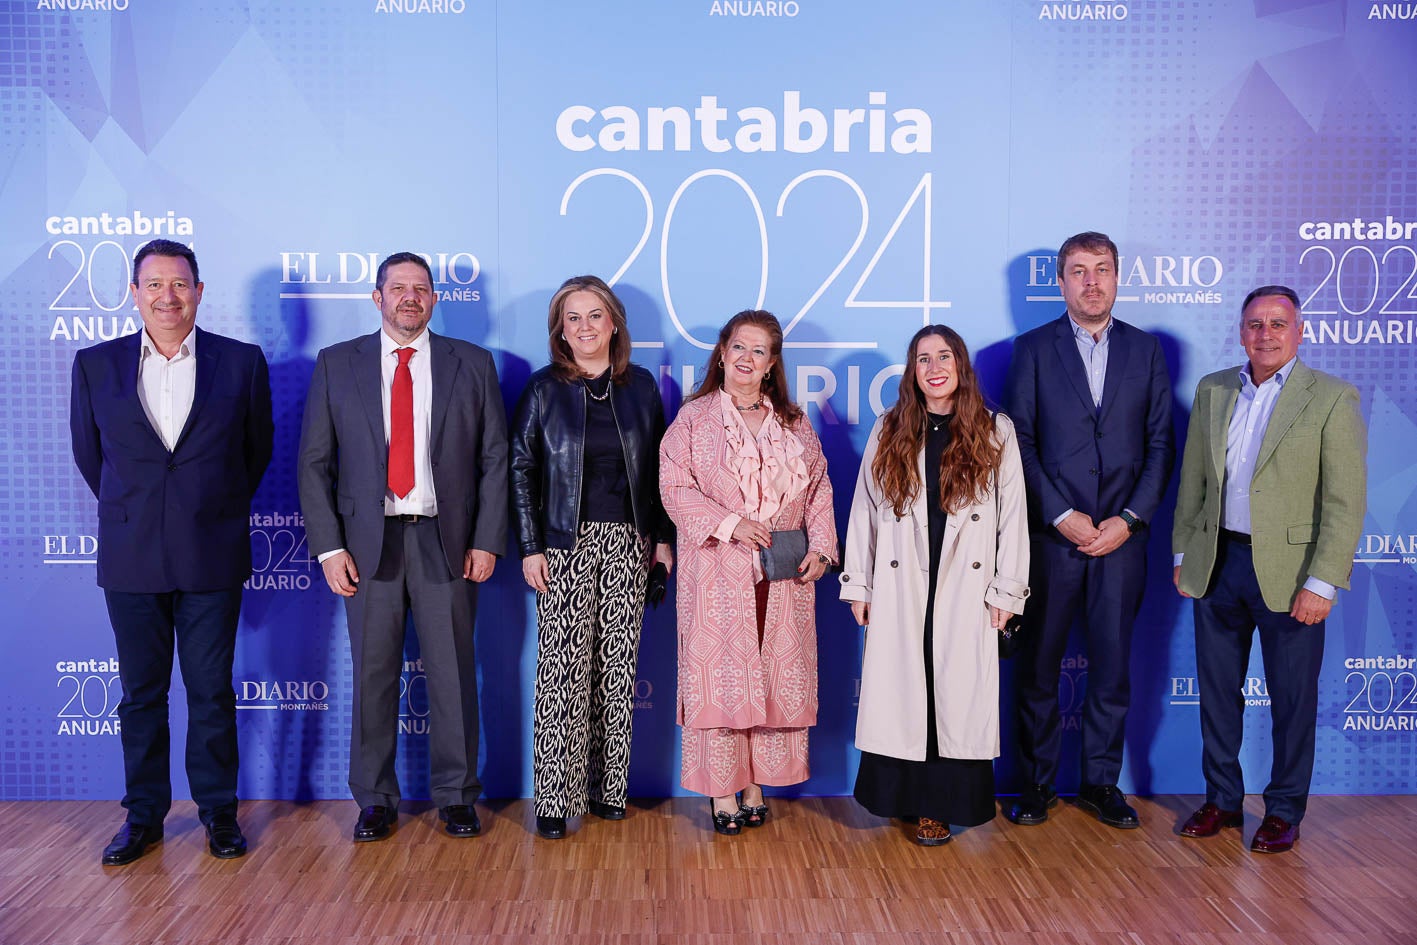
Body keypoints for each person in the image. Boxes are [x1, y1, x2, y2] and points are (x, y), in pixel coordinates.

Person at [70, 239, 273, 865]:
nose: (168, 296)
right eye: (154, 284)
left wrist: (206, 506)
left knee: (211, 691)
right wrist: (139, 511)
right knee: (140, 695)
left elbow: (255, 451)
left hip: (211, 553)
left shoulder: (239, 363)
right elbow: (90, 457)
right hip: (131, 558)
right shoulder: (95, 366)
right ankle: (144, 818)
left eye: (180, 284)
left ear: (199, 292)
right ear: (134, 294)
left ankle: (217, 814)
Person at [297, 251, 508, 843]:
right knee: (373, 675)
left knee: (453, 674)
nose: (409, 298)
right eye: (398, 288)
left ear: (435, 298)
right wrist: (329, 548)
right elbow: (314, 465)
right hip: (369, 545)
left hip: (448, 541)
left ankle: (457, 796)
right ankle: (375, 800)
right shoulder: (338, 365)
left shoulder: (473, 364)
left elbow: (494, 460)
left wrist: (488, 538)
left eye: (421, 289)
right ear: (377, 297)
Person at [1172, 285, 1366, 854]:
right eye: (1255, 324)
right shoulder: (1213, 390)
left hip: (1292, 573)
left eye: (1278, 323)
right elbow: (1194, 483)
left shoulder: (1331, 397)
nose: (1266, 333)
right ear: (1240, 331)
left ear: (1299, 331)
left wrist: (1323, 581)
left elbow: (1345, 501)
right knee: (1216, 693)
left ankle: (1284, 810)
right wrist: (1185, 554)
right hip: (1218, 562)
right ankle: (1222, 801)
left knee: (1292, 697)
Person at [1003, 231, 1174, 829]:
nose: (1092, 281)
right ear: (1061, 281)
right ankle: (1036, 785)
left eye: (1103, 269)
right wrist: (1061, 515)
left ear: (1118, 277)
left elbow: (1160, 446)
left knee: (1112, 669)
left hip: (1123, 542)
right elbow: (1017, 443)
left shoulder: (1147, 351)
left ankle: (1102, 783)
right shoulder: (1031, 350)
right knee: (1039, 668)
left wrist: (1127, 521)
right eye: (1079, 271)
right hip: (1052, 540)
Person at [839, 326, 1030, 846]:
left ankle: (939, 806)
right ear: (913, 371)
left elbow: (1012, 518)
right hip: (903, 586)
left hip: (966, 589)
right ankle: (902, 798)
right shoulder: (890, 428)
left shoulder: (995, 431)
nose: (934, 366)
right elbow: (865, 511)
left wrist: (1007, 590)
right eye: (923, 359)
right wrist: (859, 583)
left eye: (943, 356)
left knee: (952, 693)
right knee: (907, 691)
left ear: (961, 365)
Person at [510, 276, 675, 841]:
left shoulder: (642, 388)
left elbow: (662, 471)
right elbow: (520, 470)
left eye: (594, 316)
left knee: (617, 673)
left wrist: (661, 539)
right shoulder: (541, 390)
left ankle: (609, 791)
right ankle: (555, 800)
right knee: (562, 674)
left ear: (614, 324)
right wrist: (531, 547)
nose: (584, 327)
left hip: (630, 544)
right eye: (572, 317)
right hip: (564, 545)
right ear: (560, 328)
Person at [659, 310, 837, 835]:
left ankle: (755, 784)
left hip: (782, 576)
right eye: (738, 346)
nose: (745, 358)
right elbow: (674, 489)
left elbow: (820, 489)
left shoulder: (795, 422)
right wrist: (731, 523)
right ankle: (721, 792)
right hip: (718, 571)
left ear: (772, 363)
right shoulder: (692, 420)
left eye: (758, 351)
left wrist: (823, 549)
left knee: (770, 681)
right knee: (723, 680)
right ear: (721, 352)